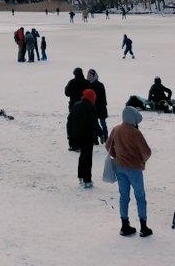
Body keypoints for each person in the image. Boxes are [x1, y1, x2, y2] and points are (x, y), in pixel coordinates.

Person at [105, 106, 153, 237]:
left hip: (120, 167)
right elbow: (147, 152)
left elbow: (108, 145)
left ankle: (124, 225)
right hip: (134, 169)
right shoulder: (135, 132)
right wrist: (141, 161)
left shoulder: (116, 129)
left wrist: (116, 155)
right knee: (140, 197)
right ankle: (143, 226)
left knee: (124, 196)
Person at [67, 89, 99, 188]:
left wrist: (70, 135)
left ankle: (81, 176)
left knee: (82, 157)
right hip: (87, 137)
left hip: (77, 136)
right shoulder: (91, 107)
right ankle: (87, 180)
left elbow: (69, 121)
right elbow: (94, 123)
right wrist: (101, 134)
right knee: (87, 158)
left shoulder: (76, 105)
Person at [87, 69, 108, 142]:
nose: (88, 76)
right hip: (92, 107)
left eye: (90, 75)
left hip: (100, 107)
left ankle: (105, 137)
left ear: (94, 76)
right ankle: (95, 138)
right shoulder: (88, 84)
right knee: (94, 123)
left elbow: (101, 97)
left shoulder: (99, 84)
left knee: (103, 123)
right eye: (88, 75)